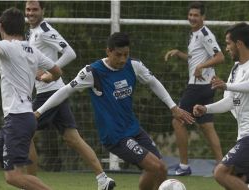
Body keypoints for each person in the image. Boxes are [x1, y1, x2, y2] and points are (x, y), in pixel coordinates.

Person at [34, 32, 195, 190]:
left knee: (161, 169)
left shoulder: (134, 65)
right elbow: (65, 91)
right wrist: (39, 112)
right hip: (115, 136)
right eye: (118, 55)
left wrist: (173, 107)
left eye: (126, 55)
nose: (122, 59)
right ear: (108, 51)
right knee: (154, 166)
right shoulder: (92, 72)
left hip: (134, 129)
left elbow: (153, 82)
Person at [25, 1, 115, 189]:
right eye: (28, 9)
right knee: (72, 138)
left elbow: (70, 53)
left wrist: (51, 73)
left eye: (35, 9)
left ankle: (30, 184)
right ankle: (103, 179)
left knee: (23, 132)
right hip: (54, 92)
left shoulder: (44, 30)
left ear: (43, 11)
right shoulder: (32, 31)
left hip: (50, 93)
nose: (31, 13)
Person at [0, 7, 62, 190]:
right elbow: (57, 71)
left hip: (17, 118)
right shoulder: (32, 49)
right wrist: (46, 77)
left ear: (1, 27)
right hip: (22, 117)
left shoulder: (6, 46)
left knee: (13, 177)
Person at [164, 1, 224, 176]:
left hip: (198, 86)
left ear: (203, 17)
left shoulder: (205, 33)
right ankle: (222, 166)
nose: (192, 18)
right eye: (190, 15)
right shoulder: (194, 34)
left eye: (196, 15)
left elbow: (220, 57)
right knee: (207, 125)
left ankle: (183, 166)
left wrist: (201, 67)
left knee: (177, 120)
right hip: (206, 86)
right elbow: (195, 58)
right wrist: (179, 53)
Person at [193, 22, 249, 190]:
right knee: (232, 179)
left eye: (228, 43)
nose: (226, 48)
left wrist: (227, 86)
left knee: (221, 173)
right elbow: (230, 101)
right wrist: (206, 108)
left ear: (239, 43)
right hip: (243, 134)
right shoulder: (236, 69)